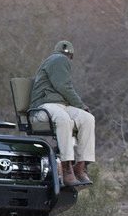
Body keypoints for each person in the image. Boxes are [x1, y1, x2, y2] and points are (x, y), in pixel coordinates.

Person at [30, 40, 95, 186]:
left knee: (87, 119)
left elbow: (62, 89)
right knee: (63, 119)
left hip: (61, 105)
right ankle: (66, 168)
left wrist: (81, 109)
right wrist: (81, 105)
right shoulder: (59, 59)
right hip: (44, 105)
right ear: (70, 55)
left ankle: (81, 166)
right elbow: (64, 86)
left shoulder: (57, 60)